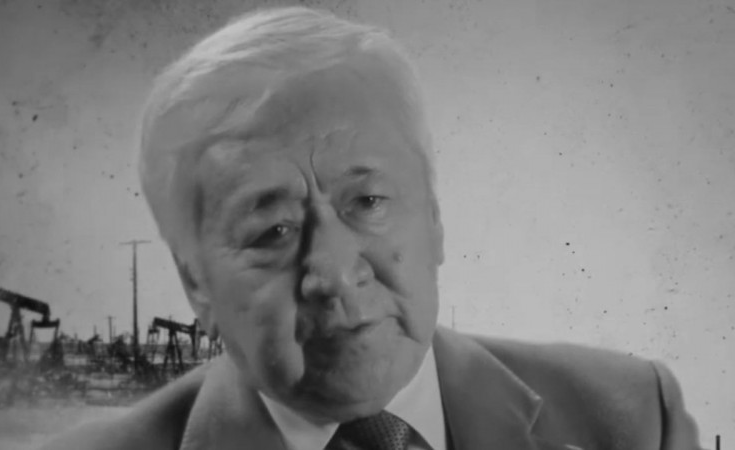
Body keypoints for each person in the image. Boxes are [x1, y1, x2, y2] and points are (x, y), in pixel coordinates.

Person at [41, 6, 701, 450]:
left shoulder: (633, 419)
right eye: (273, 231)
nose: (333, 273)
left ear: (435, 217)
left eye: (368, 201)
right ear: (196, 285)